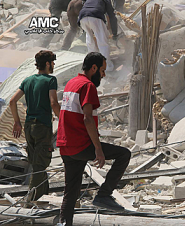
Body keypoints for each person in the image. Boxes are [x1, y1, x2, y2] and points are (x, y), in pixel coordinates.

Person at [57, 52, 131, 226]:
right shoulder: (88, 85)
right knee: (124, 155)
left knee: (71, 191)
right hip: (80, 145)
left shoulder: (71, 83)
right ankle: (104, 195)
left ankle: (64, 223)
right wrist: (98, 149)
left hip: (66, 146)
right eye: (103, 71)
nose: (104, 75)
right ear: (94, 68)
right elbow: (87, 118)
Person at [9, 50, 60, 202]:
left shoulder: (28, 80)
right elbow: (53, 103)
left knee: (37, 162)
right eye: (52, 62)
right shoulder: (51, 80)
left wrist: (17, 122)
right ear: (47, 63)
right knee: (40, 164)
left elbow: (12, 101)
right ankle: (30, 201)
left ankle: (43, 197)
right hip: (42, 127)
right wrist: (63, 120)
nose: (53, 65)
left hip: (28, 126)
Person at [78, 0, 118, 72]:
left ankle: (93, 63)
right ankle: (106, 66)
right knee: (102, 41)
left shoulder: (89, 0)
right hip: (95, 16)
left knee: (90, 40)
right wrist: (115, 33)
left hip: (82, 17)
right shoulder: (106, 0)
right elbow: (112, 17)